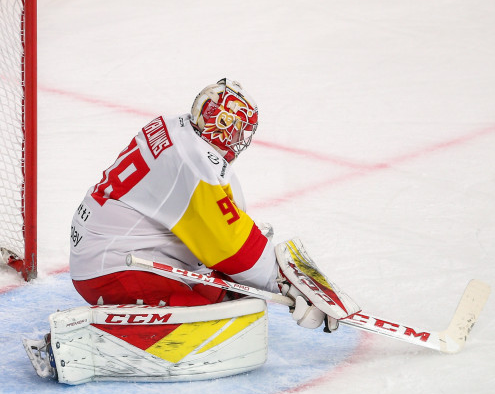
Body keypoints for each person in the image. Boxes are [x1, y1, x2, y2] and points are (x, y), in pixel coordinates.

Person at [68, 78, 334, 330]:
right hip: (113, 267)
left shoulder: (177, 129)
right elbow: (228, 245)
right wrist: (281, 281)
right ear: (221, 125)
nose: (240, 141)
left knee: (228, 294)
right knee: (212, 320)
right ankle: (91, 339)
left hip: (114, 249)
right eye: (237, 131)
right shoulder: (192, 162)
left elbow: (223, 222)